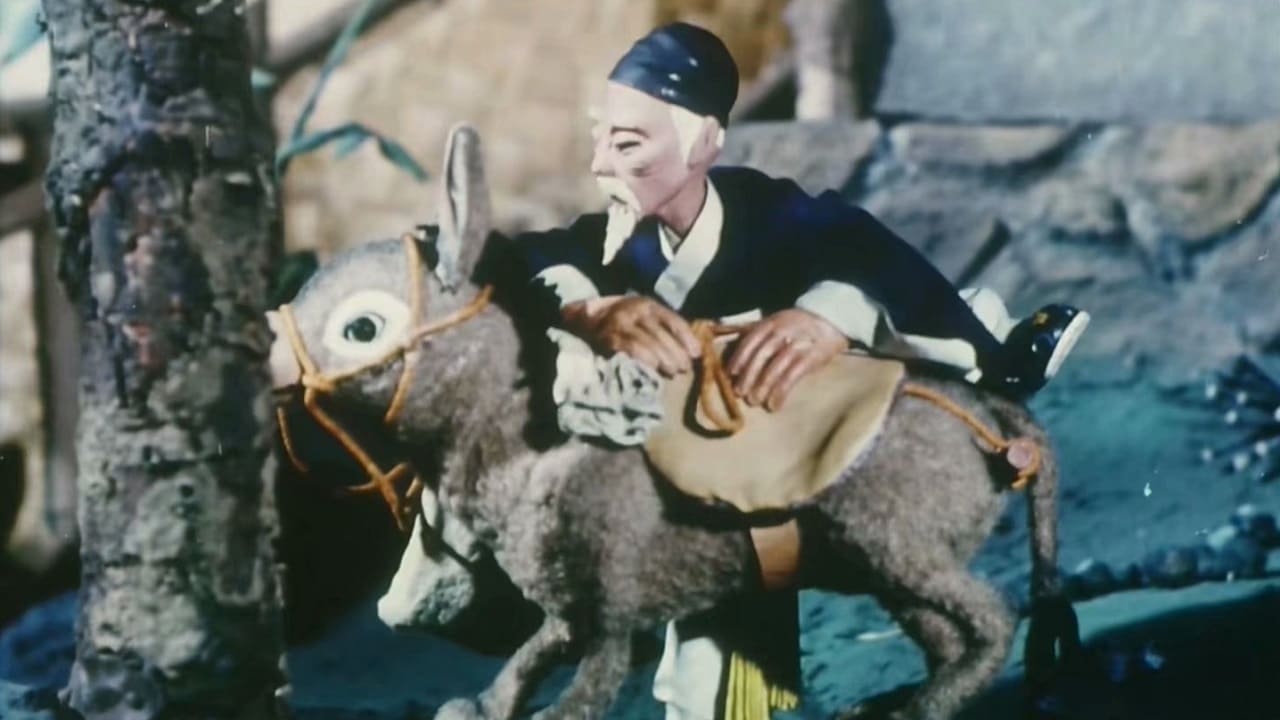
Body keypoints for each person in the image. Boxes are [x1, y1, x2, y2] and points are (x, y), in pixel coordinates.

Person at [515, 21, 1089, 720]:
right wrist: (590, 308)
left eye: (628, 144)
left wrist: (829, 315)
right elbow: (533, 258)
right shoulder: (614, 242)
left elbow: (875, 259)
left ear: (702, 143)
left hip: (772, 463)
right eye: (600, 136)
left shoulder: (774, 216)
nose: (600, 163)